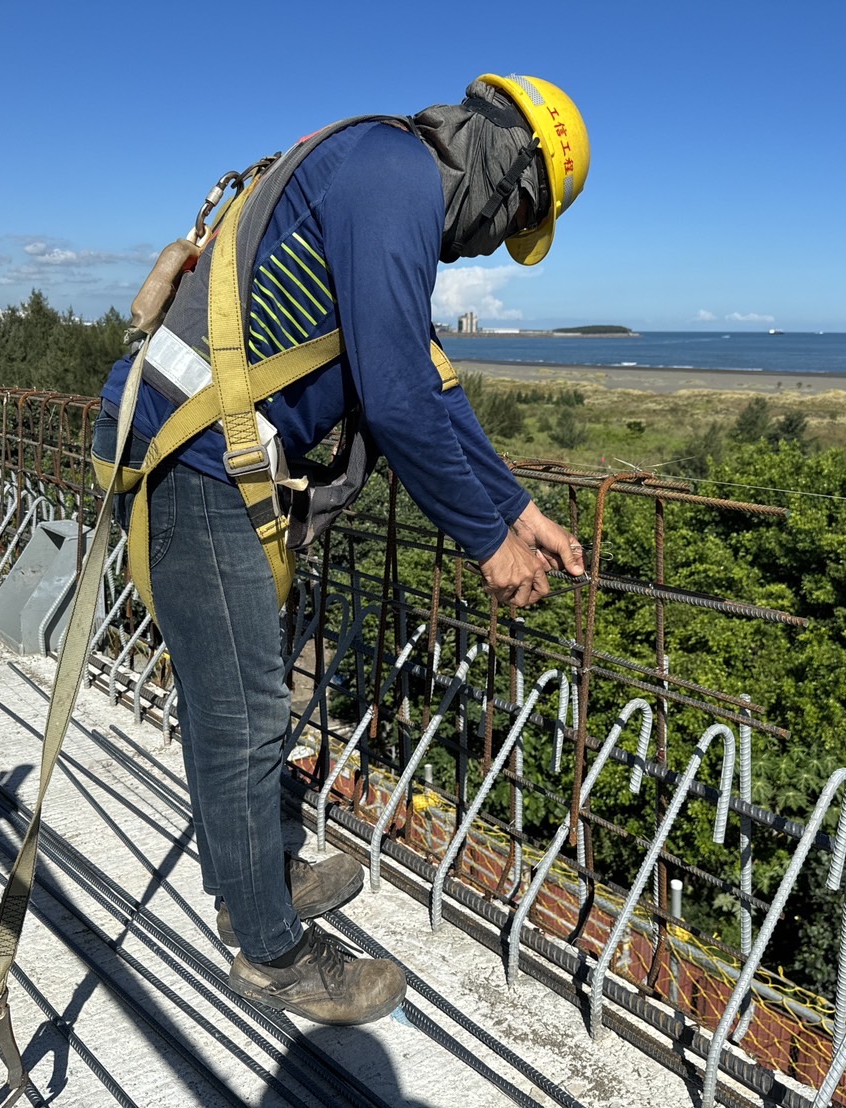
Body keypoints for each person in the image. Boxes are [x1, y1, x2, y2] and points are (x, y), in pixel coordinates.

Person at [93, 73, 591, 1025]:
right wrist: (486, 542)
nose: (488, 241)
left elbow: (428, 382)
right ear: (507, 171)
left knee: (232, 699)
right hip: (186, 454)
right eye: (512, 221)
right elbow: (397, 397)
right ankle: (271, 950)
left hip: (197, 447)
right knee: (244, 712)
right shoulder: (390, 176)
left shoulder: (380, 175)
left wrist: (516, 509)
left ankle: (254, 876)